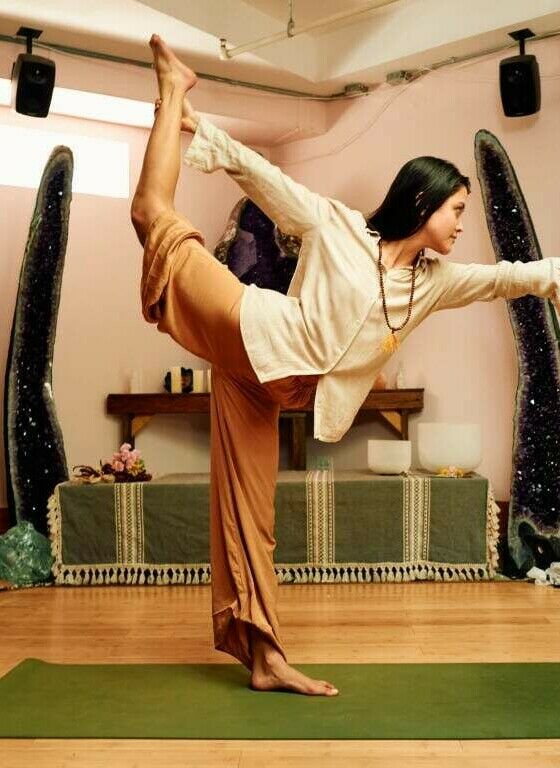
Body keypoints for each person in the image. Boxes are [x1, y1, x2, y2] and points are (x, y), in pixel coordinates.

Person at [131, 35, 560, 696]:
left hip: (276, 386)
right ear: (424, 204)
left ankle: (265, 659)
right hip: (254, 331)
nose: (460, 225)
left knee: (253, 520)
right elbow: (270, 183)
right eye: (456, 211)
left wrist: (553, 275)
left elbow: (503, 277)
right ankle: (171, 90)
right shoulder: (338, 229)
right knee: (152, 216)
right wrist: (201, 129)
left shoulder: (433, 282)